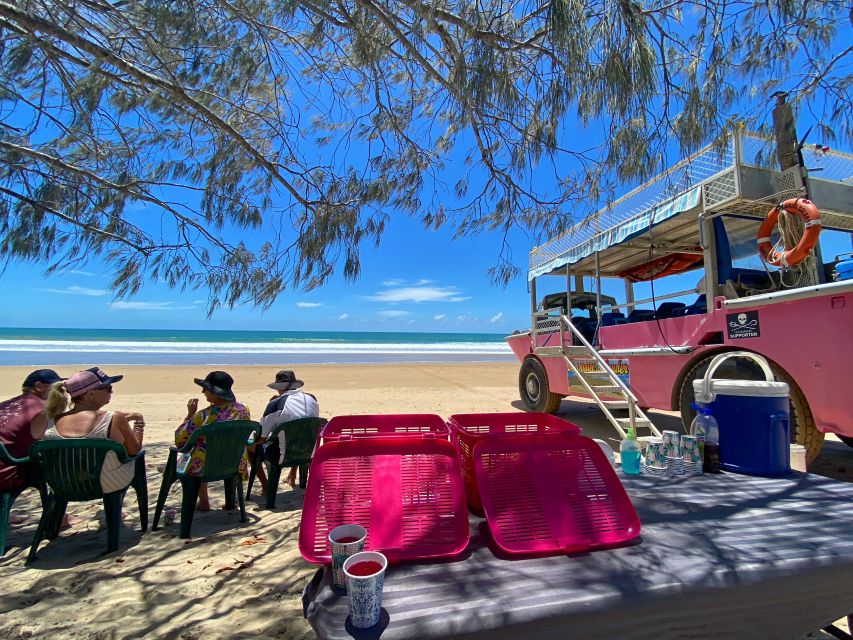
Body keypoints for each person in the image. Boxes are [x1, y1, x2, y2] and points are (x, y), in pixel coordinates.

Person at [30, 368, 144, 493]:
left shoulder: (51, 420)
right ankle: (115, 507)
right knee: (136, 458)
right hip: (106, 484)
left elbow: (35, 438)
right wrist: (138, 421)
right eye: (108, 388)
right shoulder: (114, 418)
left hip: (61, 483)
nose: (111, 392)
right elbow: (134, 450)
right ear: (90, 394)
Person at [175, 371, 250, 511]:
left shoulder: (203, 415)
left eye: (206, 389)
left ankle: (203, 501)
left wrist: (190, 414)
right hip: (234, 462)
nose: (203, 391)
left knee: (193, 455)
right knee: (202, 451)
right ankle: (230, 500)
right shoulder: (244, 410)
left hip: (206, 466)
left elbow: (180, 440)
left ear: (215, 392)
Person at [0, 369, 65, 524]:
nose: (62, 392)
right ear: (39, 386)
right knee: (54, 466)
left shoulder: (6, 404)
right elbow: (50, 443)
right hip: (6, 475)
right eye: (58, 388)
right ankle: (58, 518)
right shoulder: (42, 409)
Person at [259, 370, 319, 487]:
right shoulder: (312, 399)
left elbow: (261, 437)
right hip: (309, 451)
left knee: (253, 448)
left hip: (282, 455)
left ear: (279, 387)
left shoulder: (276, 404)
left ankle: (266, 487)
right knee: (295, 434)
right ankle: (293, 475)